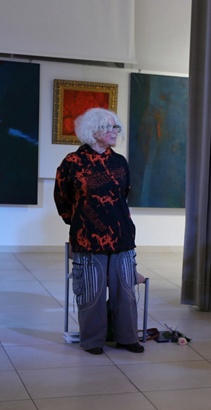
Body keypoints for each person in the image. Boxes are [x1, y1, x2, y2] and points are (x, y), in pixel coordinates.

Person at [54, 107, 143, 355]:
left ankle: (127, 338)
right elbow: (62, 199)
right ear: (93, 131)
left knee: (125, 291)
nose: (115, 132)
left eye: (116, 127)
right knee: (91, 292)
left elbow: (123, 194)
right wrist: (80, 221)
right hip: (88, 238)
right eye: (109, 127)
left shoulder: (119, 162)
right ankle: (92, 340)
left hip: (122, 237)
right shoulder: (72, 162)